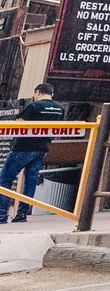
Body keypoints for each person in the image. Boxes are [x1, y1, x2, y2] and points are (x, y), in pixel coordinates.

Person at [1, 84, 67, 223]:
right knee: (31, 182)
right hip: (42, 148)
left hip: (23, 147)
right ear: (52, 93)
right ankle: (22, 215)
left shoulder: (34, 106)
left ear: (37, 92)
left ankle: (1, 215)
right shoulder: (60, 108)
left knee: (5, 180)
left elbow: (19, 124)